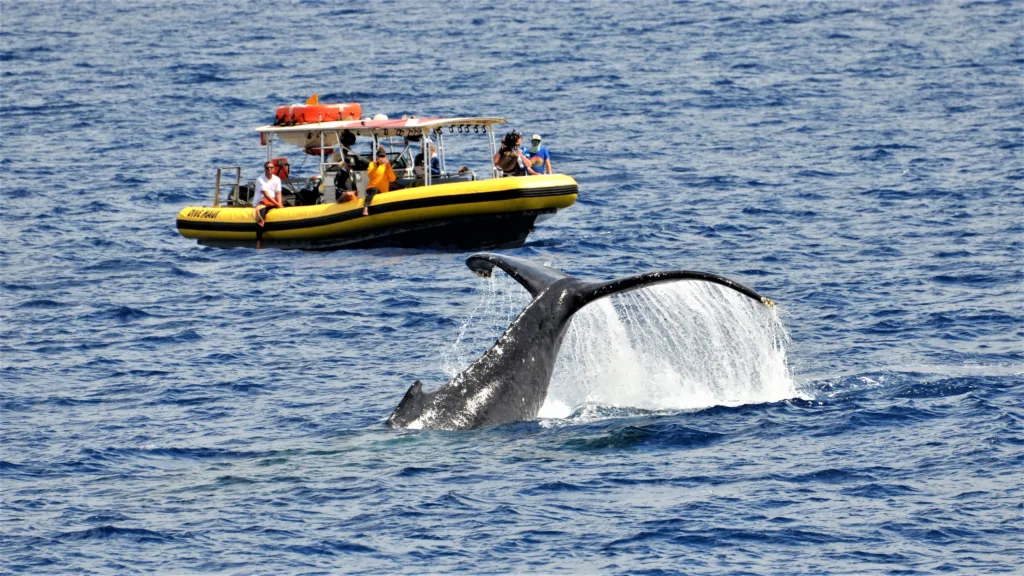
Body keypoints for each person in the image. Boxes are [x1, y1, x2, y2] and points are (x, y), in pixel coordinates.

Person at [253, 161, 284, 248]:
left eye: (271, 168)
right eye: (267, 168)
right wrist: (277, 204)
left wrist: (280, 203)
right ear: (265, 169)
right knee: (261, 219)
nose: (269, 169)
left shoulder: (277, 179)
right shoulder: (260, 180)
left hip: (272, 201)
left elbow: (278, 193)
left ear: (274, 169)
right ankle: (259, 241)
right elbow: (266, 195)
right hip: (261, 202)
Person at [363, 149, 397, 215]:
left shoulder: (387, 166)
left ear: (385, 157)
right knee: (374, 190)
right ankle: (365, 207)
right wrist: (377, 165)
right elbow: (370, 175)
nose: (381, 158)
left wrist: (389, 167)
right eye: (379, 156)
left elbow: (392, 179)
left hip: (383, 191)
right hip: (372, 188)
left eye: (383, 157)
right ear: (377, 157)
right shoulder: (372, 164)